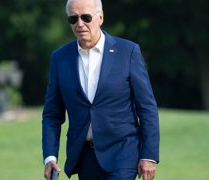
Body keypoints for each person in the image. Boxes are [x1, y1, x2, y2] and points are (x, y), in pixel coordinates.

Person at [42, 0, 160, 179]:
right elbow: (52, 114)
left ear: (101, 17)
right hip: (84, 158)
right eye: (73, 19)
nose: (80, 24)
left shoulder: (128, 52)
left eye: (86, 17)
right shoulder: (60, 58)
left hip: (123, 154)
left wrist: (149, 155)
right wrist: (50, 157)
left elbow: (147, 108)